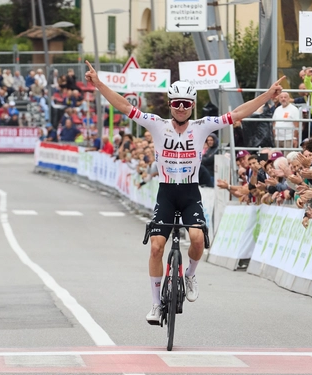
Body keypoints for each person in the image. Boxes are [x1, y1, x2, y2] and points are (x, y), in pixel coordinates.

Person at [84, 60, 285, 325]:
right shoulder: (157, 124)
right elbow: (124, 106)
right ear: (170, 104)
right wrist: (99, 84)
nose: (181, 108)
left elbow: (236, 114)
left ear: (192, 105)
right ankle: (156, 306)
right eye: (176, 103)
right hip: (166, 193)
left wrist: (267, 96)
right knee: (156, 248)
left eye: (186, 104)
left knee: (198, 240)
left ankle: (190, 275)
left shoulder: (202, 125)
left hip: (190, 193)